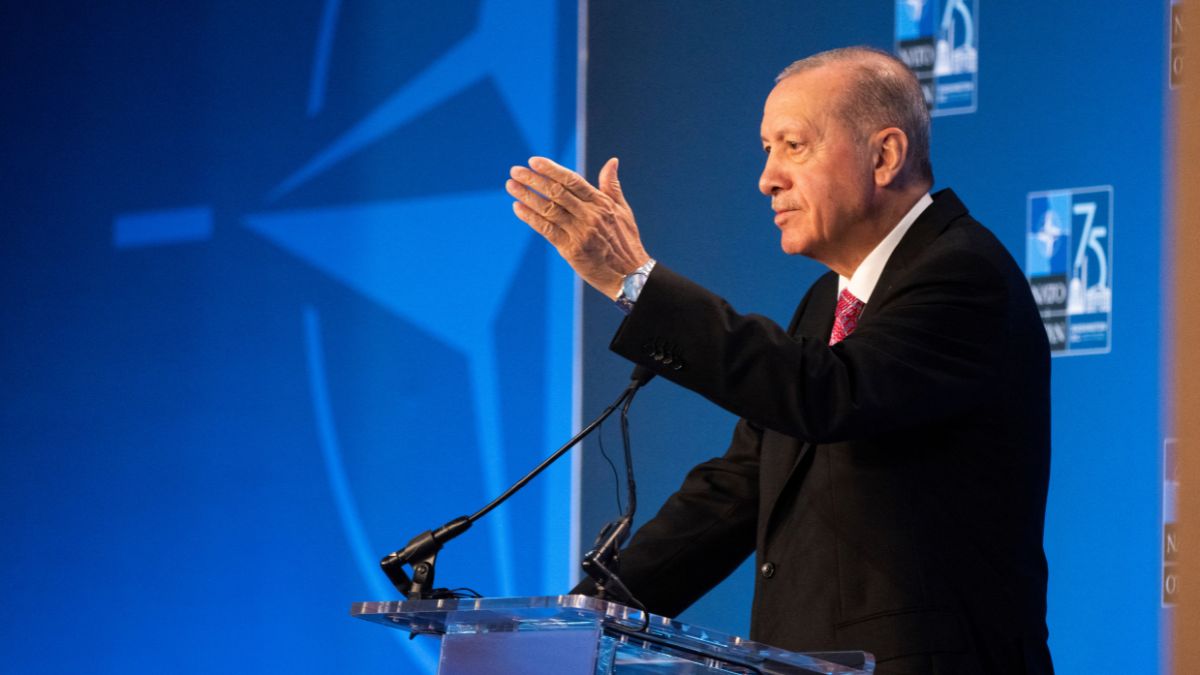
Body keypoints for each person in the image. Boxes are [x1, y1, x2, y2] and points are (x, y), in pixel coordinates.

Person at [506, 46, 1053, 675]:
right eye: (767, 149)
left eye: (793, 145)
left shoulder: (962, 275)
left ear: (885, 156)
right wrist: (576, 620)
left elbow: (828, 396)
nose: (768, 177)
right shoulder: (829, 300)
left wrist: (638, 283)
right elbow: (738, 488)